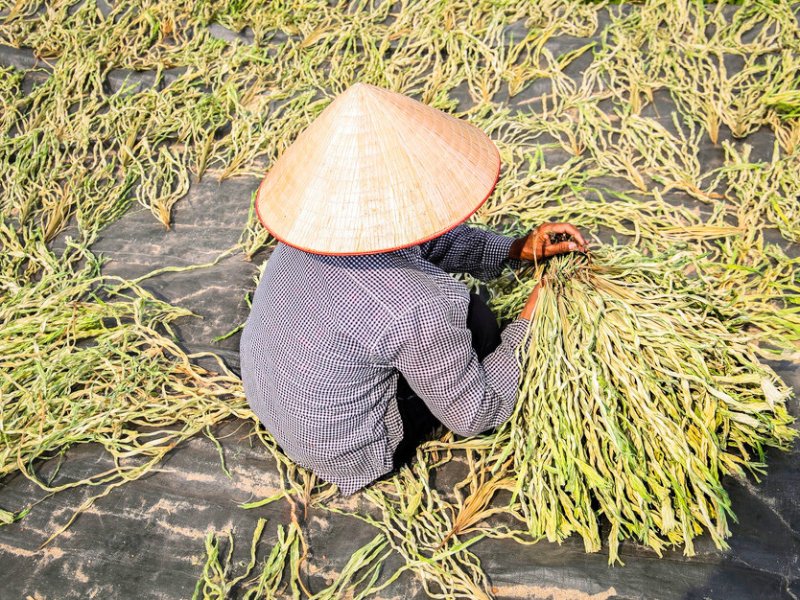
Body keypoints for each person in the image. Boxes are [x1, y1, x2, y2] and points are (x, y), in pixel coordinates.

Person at [239, 83, 586, 495]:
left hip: (278, 400)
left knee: (434, 326)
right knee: (479, 321)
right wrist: (531, 318)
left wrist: (516, 249)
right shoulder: (418, 308)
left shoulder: (312, 232)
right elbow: (476, 412)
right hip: (344, 449)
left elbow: (429, 242)